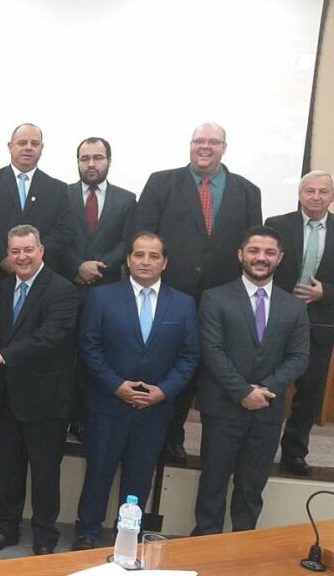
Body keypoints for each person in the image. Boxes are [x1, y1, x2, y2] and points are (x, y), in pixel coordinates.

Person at [135, 122, 262, 465]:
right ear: (190, 145)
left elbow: (253, 247)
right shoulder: (161, 182)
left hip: (222, 297)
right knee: (167, 365)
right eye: (198, 141)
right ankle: (164, 436)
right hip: (170, 293)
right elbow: (143, 234)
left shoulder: (248, 191)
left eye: (213, 142)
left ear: (225, 147)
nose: (204, 147)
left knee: (211, 368)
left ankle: (200, 443)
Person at [71, 233, 199, 551]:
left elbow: (190, 355)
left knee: (139, 478)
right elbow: (89, 347)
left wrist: (164, 391)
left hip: (153, 409)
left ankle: (127, 537)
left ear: (164, 262)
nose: (145, 261)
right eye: (139, 255)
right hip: (108, 403)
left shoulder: (183, 303)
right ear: (128, 259)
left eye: (153, 256)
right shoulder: (102, 297)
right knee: (98, 471)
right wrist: (116, 386)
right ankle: (87, 532)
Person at [0, 224, 79, 555]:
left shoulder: (63, 290)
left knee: (45, 473)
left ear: (41, 250)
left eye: (28, 250)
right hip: (7, 396)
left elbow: (51, 337)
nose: (22, 257)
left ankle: (45, 537)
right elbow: (1, 335)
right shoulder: (4, 287)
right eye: (15, 251)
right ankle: (6, 529)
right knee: (7, 468)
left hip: (47, 399)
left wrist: (0, 357)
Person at [192, 226, 309, 535]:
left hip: (267, 413)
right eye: (254, 251)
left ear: (280, 258)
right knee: (212, 486)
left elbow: (299, 357)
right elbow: (212, 350)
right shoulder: (214, 298)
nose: (261, 258)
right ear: (240, 254)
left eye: (269, 252)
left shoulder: (294, 306)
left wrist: (265, 390)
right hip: (222, 409)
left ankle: (242, 552)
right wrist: (242, 391)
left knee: (251, 489)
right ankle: (203, 549)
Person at [61, 137, 137, 439]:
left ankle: (84, 417)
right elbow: (56, 236)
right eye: (84, 158)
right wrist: (77, 265)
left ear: (109, 160)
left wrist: (98, 265)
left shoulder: (127, 199)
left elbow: (127, 241)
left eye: (97, 158)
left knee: (97, 357)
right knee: (65, 357)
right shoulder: (61, 195)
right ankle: (63, 414)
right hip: (68, 288)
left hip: (107, 291)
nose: (91, 164)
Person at [268, 171, 334, 476]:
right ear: (299, 193)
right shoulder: (277, 225)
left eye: (323, 191)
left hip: (321, 324)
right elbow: (262, 267)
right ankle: (263, 445)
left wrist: (326, 292)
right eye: (310, 191)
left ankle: (295, 451)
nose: (316, 197)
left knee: (310, 392)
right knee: (271, 384)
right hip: (277, 318)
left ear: (331, 196)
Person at [0, 123, 71, 273]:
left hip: (40, 273)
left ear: (42, 148)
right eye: (22, 143)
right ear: (10, 146)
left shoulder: (58, 189)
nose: (28, 147)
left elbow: (62, 232)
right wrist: (4, 258)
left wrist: (33, 260)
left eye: (34, 143)